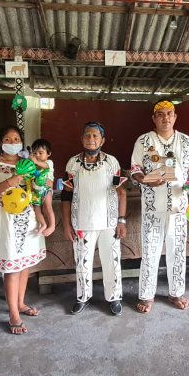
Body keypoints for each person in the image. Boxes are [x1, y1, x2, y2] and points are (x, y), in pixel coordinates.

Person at [129, 100, 189, 313]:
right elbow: (135, 170)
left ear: (175, 116)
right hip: (153, 206)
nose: (165, 118)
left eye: (169, 113)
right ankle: (146, 295)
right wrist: (145, 180)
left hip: (180, 205)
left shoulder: (186, 141)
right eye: (160, 114)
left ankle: (176, 292)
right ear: (154, 118)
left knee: (177, 250)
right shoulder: (144, 141)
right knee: (150, 251)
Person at [0, 126, 48, 335]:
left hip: (26, 217)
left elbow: (40, 181)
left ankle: (20, 303)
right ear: (0, 142)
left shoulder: (25, 164)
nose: (12, 142)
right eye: (8, 139)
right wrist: (11, 181)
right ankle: (13, 314)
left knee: (24, 263)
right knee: (11, 266)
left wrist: (40, 217)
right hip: (6, 218)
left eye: (16, 139)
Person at [61, 122, 128, 316]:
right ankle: (83, 297)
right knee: (82, 261)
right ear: (81, 139)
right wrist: (66, 223)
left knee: (112, 260)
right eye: (87, 135)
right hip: (82, 221)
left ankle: (114, 297)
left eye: (96, 136)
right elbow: (66, 195)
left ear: (103, 140)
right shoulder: (73, 163)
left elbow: (122, 192)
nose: (91, 139)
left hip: (109, 222)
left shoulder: (111, 162)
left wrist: (121, 220)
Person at [29, 138, 56, 238]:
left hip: (46, 189)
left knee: (47, 206)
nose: (37, 155)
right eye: (35, 153)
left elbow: (45, 167)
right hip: (35, 191)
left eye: (41, 152)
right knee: (36, 208)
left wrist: (35, 161)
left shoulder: (49, 163)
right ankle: (43, 224)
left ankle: (52, 226)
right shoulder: (33, 165)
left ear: (48, 154)